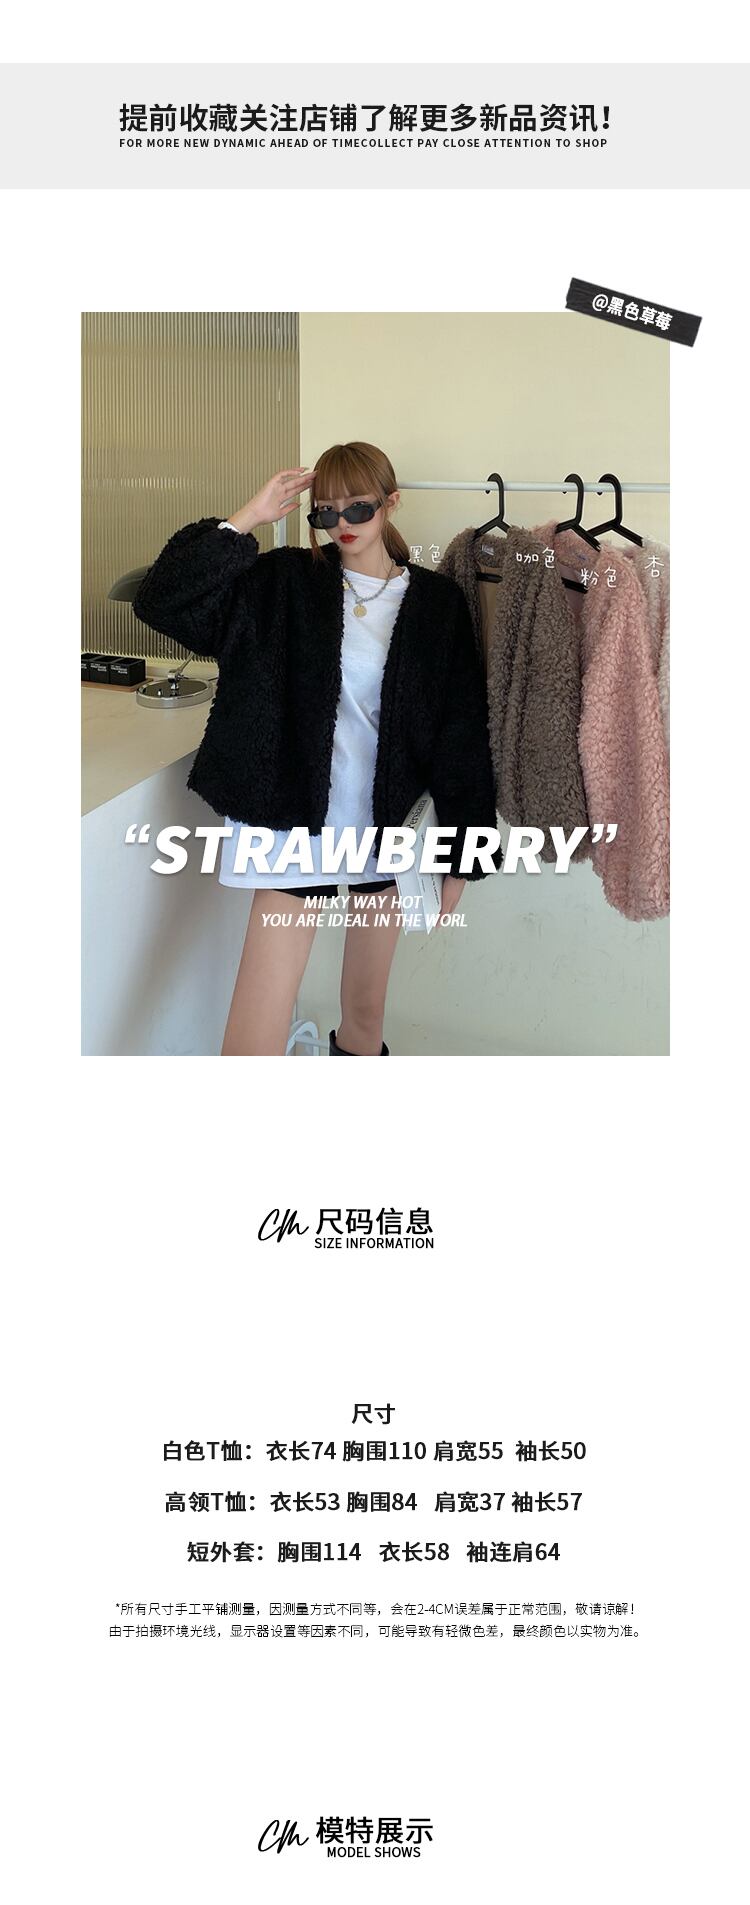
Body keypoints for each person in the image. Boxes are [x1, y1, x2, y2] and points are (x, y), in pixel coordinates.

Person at [132, 440, 499, 1056]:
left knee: (365, 1019)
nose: (342, 524)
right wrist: (248, 518)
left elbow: (459, 732)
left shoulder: (437, 604)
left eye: (358, 508)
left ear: (391, 502)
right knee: (255, 1029)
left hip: (386, 825)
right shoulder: (284, 582)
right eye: (325, 512)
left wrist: (463, 855)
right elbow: (162, 601)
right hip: (292, 818)